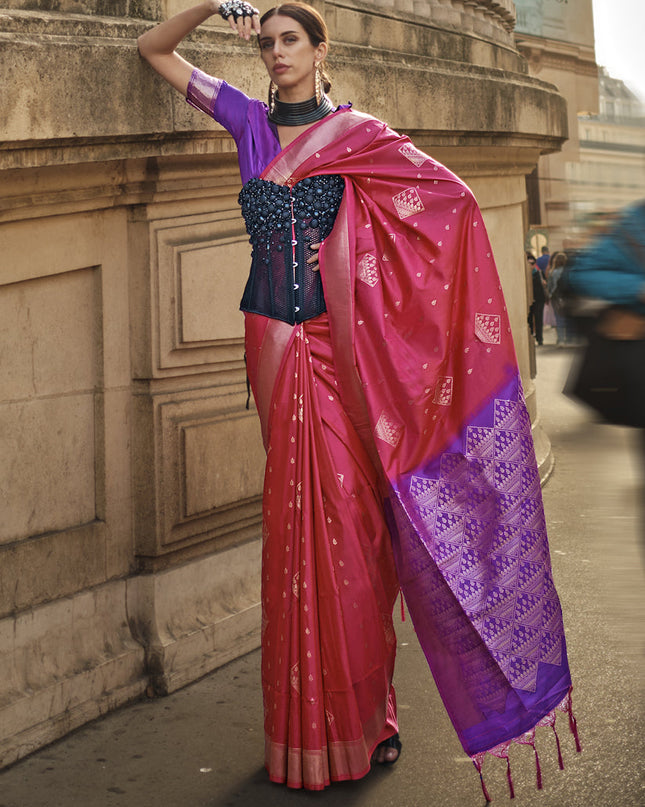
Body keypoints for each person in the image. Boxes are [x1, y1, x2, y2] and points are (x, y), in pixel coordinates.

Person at [138, 3, 578, 795]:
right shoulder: (245, 122)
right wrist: (211, 4)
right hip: (276, 353)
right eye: (267, 42)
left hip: (345, 362)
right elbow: (152, 48)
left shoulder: (361, 137)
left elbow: (451, 208)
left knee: (353, 543)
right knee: (295, 541)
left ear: (318, 50)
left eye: (290, 41)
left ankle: (369, 718)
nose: (276, 54)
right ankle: (303, 734)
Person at [527, 252, 547, 345]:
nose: (531, 265)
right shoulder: (524, 275)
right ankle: (530, 336)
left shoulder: (539, 273)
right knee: (529, 319)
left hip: (539, 299)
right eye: (529, 263)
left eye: (532, 263)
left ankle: (540, 339)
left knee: (539, 319)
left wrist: (544, 283)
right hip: (528, 300)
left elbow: (545, 283)